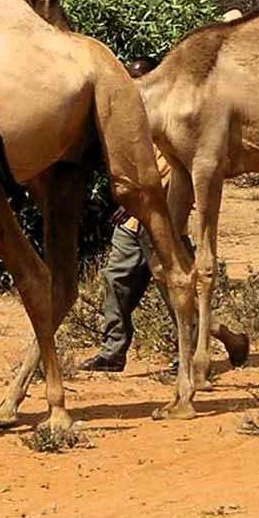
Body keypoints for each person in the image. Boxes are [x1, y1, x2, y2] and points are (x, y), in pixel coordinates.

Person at [79, 56, 166, 373]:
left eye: (139, 78)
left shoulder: (167, 115)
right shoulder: (126, 118)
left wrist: (139, 201)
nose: (134, 85)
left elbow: (168, 171)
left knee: (171, 285)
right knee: (115, 279)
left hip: (165, 220)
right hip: (130, 221)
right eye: (130, 79)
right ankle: (113, 351)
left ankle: (196, 352)